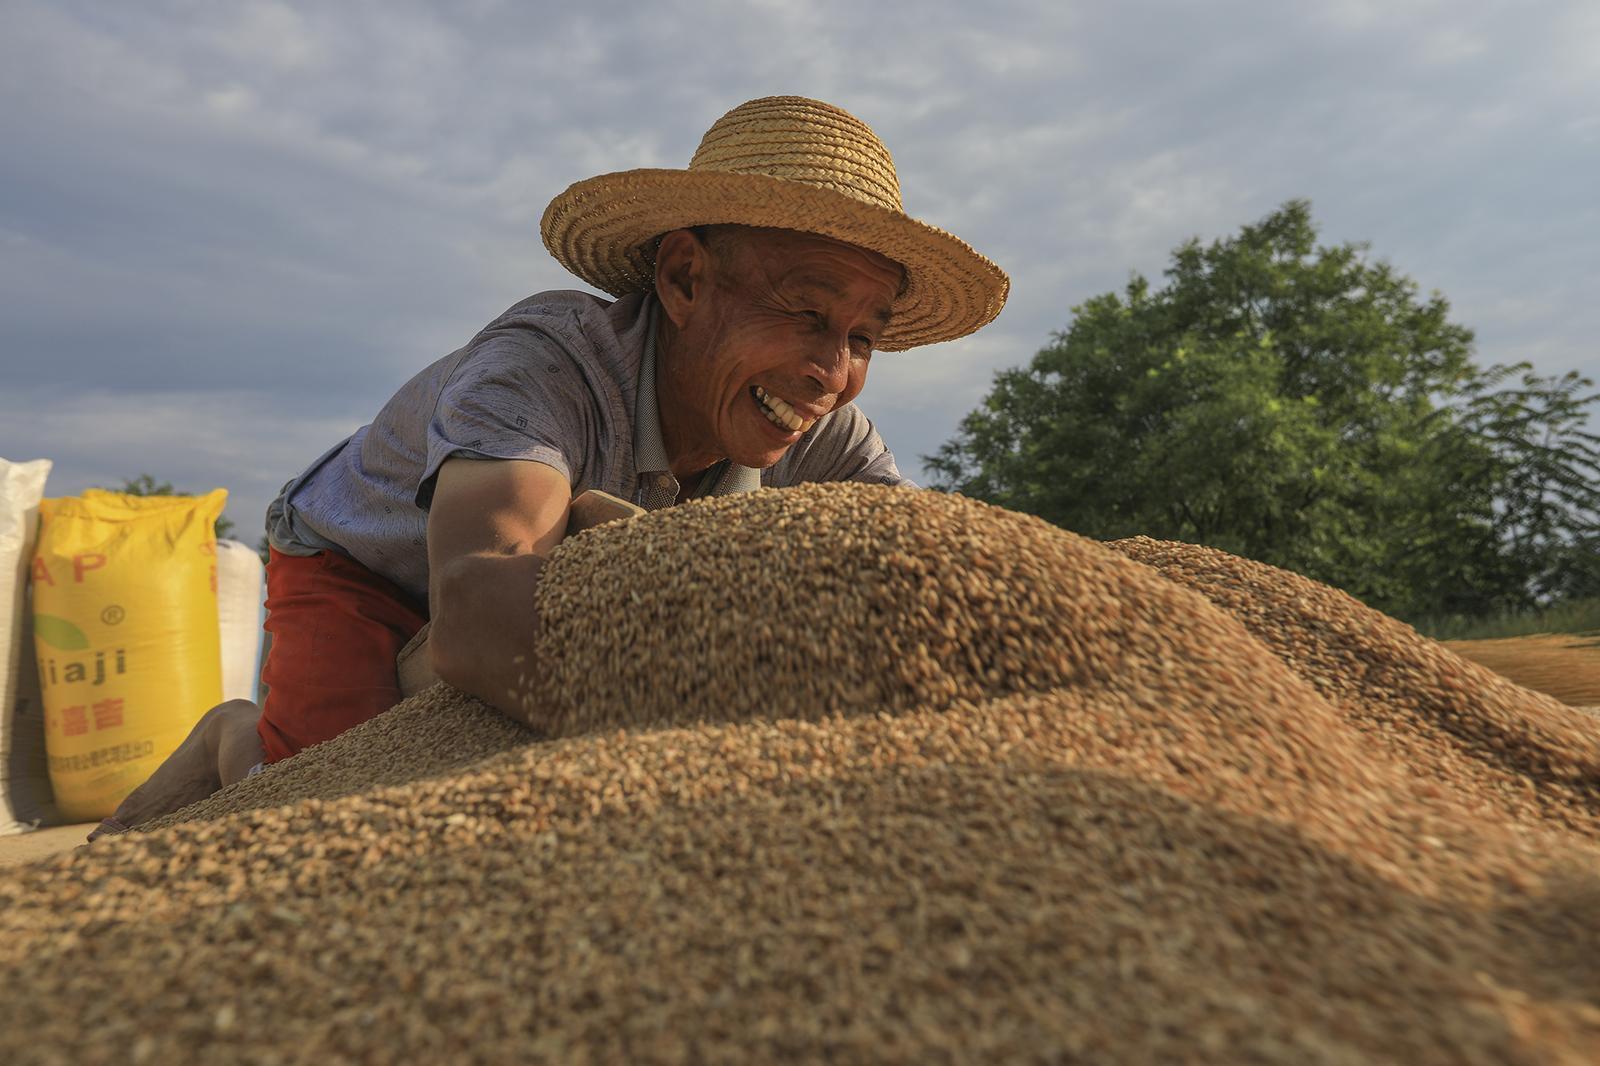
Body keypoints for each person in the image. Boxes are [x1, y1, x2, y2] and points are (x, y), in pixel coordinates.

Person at [90, 95, 1009, 838]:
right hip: (364, 567)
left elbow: (921, 567)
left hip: (513, 594)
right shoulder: (547, 365)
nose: (831, 372)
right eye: (806, 313)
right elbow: (481, 610)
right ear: (685, 280)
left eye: (861, 338)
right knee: (326, 809)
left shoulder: (824, 429)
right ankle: (237, 741)